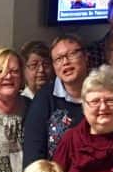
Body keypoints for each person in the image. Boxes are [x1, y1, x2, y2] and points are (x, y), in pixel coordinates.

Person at [23, 33, 87, 164]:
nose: (65, 62)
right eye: (58, 59)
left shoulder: (103, 92)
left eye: (71, 54)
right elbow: (33, 155)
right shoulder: (44, 99)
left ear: (86, 57)